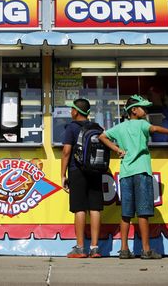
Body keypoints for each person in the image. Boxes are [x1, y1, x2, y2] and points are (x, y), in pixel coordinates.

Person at [99, 95, 168, 259]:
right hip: (142, 172)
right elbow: (156, 130)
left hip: (125, 174)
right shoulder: (142, 124)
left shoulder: (120, 127)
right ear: (134, 110)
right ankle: (146, 250)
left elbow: (102, 136)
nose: (146, 110)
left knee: (126, 214)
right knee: (143, 213)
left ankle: (123, 249)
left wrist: (117, 149)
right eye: (143, 107)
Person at [60, 98, 105, 258]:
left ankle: (80, 248)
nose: (70, 112)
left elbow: (66, 152)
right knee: (95, 208)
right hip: (95, 170)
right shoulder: (97, 127)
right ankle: (95, 248)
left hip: (77, 170)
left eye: (71, 109)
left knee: (79, 208)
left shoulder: (71, 128)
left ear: (75, 111)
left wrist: (62, 174)